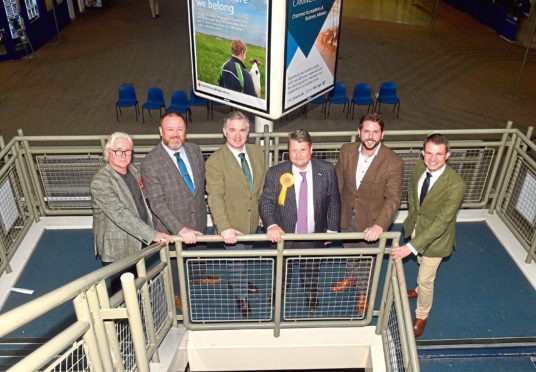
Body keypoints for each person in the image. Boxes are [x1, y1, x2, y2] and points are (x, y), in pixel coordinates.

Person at [141, 111, 220, 311]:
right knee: (174, 264)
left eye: (180, 129)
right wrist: (180, 229)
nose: (175, 134)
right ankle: (176, 294)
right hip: (172, 226)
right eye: (170, 130)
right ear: (161, 131)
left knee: (198, 252)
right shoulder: (150, 162)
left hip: (198, 218)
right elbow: (157, 203)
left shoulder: (194, 150)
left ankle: (198, 277)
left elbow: (200, 185)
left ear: (185, 131)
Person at [391, 133, 466, 338]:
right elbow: (411, 194)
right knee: (420, 260)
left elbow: (442, 222)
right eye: (429, 153)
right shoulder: (418, 167)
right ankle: (416, 289)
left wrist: (410, 246)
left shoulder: (456, 184)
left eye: (439, 154)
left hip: (437, 239)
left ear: (447, 155)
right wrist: (413, 218)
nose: (433, 159)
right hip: (418, 227)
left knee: (426, 279)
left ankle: (422, 315)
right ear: (422, 153)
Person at [258, 129, 340, 312]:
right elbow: (266, 201)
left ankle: (311, 296)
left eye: (302, 150)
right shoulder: (275, 172)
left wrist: (332, 229)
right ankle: (276, 295)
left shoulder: (326, 170)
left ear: (311, 150)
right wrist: (271, 225)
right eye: (294, 150)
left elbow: (334, 199)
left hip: (314, 235)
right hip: (284, 235)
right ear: (288, 151)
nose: (298, 155)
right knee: (281, 272)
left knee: (311, 270)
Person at [331, 113, 404, 315]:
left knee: (368, 259)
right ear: (359, 132)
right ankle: (350, 277)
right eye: (366, 131)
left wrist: (380, 225)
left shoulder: (393, 162)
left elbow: (393, 198)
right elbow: (337, 184)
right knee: (350, 250)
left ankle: (363, 292)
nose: (370, 136)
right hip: (346, 215)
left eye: (375, 132)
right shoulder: (346, 151)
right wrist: (332, 216)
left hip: (372, 221)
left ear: (382, 135)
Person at [91, 132, 173, 294]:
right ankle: (124, 320)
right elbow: (119, 214)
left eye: (128, 151)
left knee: (136, 284)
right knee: (122, 293)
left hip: (137, 239)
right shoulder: (100, 181)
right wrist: (152, 234)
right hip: (117, 247)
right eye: (118, 151)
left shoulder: (133, 170)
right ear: (108, 153)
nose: (124, 155)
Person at [205, 111, 265, 317]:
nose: (237, 135)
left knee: (244, 257)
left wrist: (263, 213)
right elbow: (215, 197)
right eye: (232, 130)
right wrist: (224, 227)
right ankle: (241, 296)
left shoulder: (258, 153)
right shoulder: (215, 161)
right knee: (236, 261)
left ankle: (238, 281)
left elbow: (262, 187)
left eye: (242, 130)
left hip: (252, 221)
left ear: (248, 131)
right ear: (224, 132)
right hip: (231, 225)